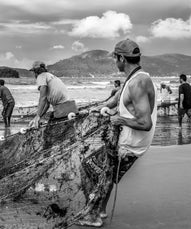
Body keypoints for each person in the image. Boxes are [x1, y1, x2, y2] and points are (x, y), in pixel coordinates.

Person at [78, 39, 157, 227]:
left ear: (121, 58)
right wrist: (97, 109)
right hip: (128, 139)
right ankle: (100, 210)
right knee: (107, 174)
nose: (115, 62)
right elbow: (115, 99)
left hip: (131, 143)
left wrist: (120, 119)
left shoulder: (139, 82)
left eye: (115, 58)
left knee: (88, 167)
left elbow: (145, 123)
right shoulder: (133, 78)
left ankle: (93, 214)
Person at [28, 61, 76, 128]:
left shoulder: (41, 76)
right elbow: (47, 105)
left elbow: (43, 98)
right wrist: (38, 117)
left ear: (36, 71)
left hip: (61, 110)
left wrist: (38, 116)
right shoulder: (50, 76)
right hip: (70, 107)